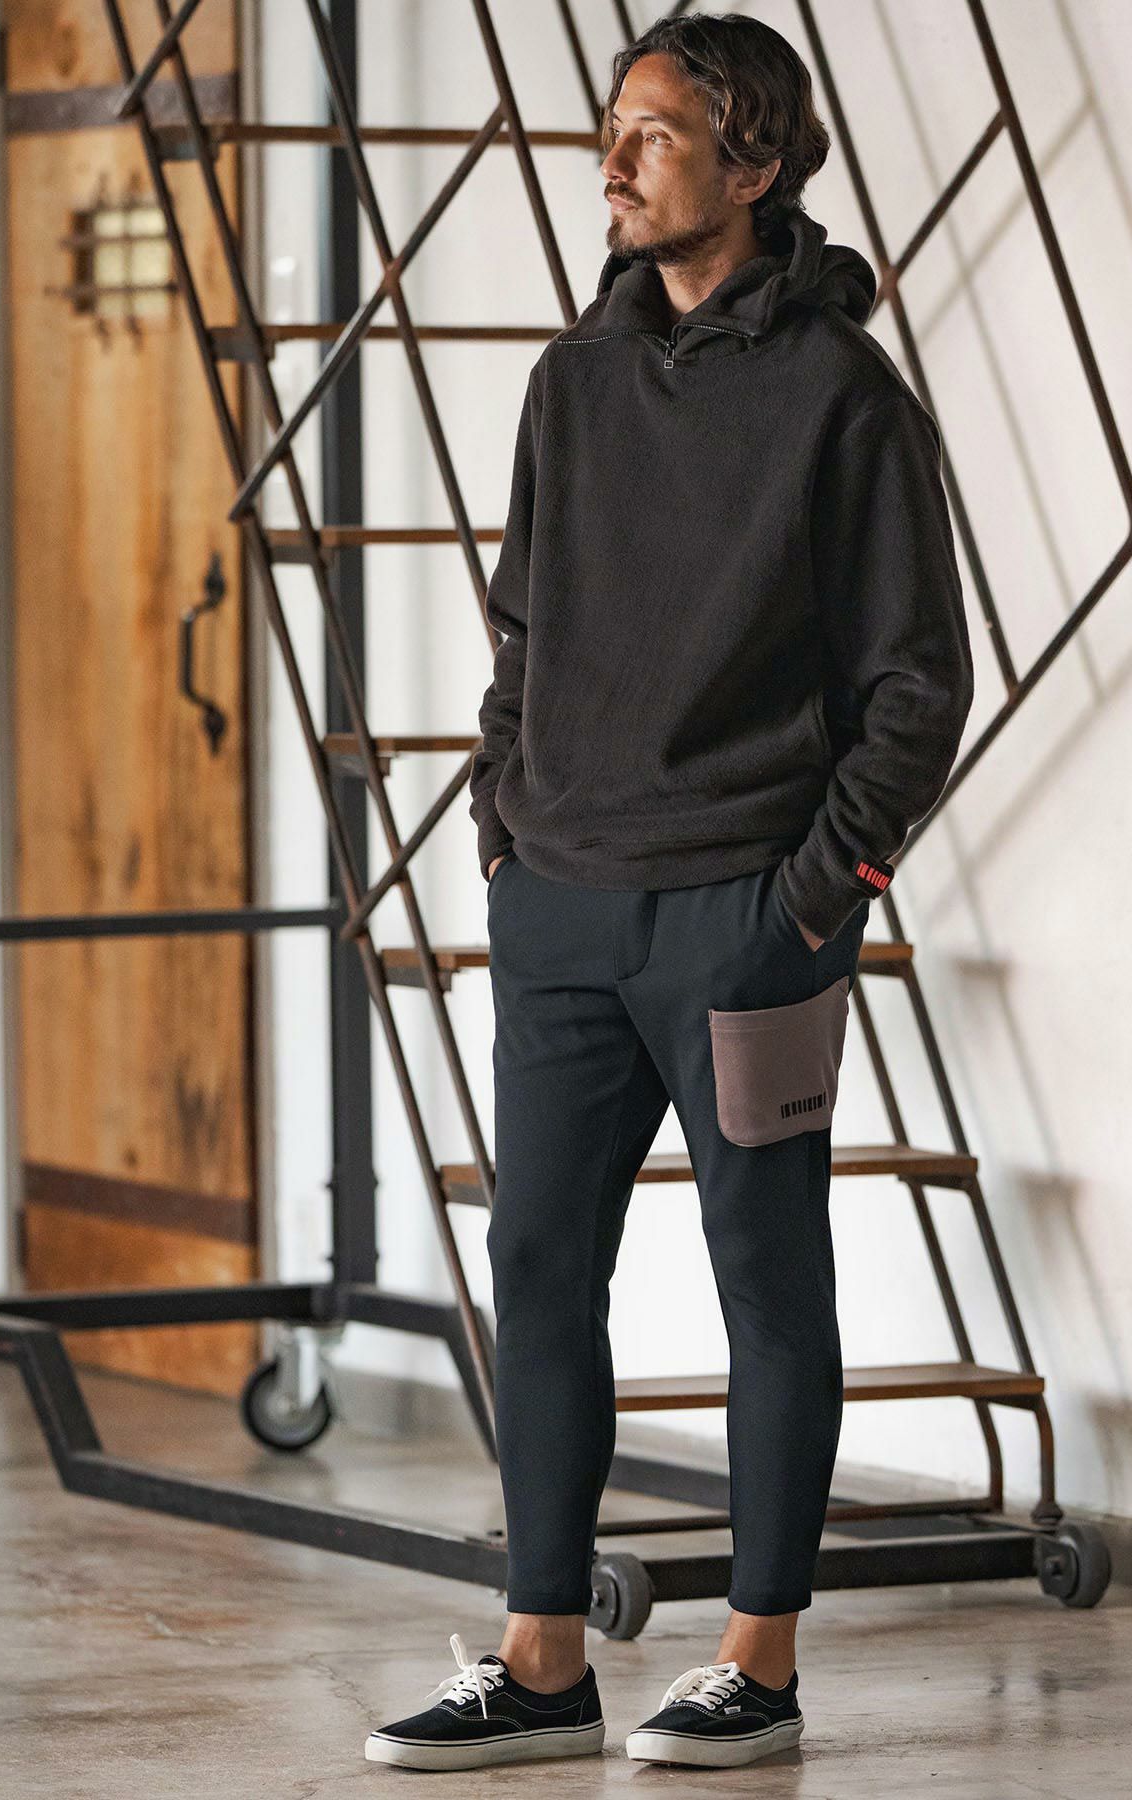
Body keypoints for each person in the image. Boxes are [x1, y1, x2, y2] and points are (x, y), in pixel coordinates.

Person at [365, 9, 973, 1775]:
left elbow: (919, 687)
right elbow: (522, 631)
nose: (612, 161)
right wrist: (506, 818)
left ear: (755, 161)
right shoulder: (572, 383)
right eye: (611, 128)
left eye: (654, 133)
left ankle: (756, 1667)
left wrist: (816, 894)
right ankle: (542, 1660)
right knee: (538, 1262)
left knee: (765, 1276)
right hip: (562, 903)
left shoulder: (845, 397)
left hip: (744, 923)